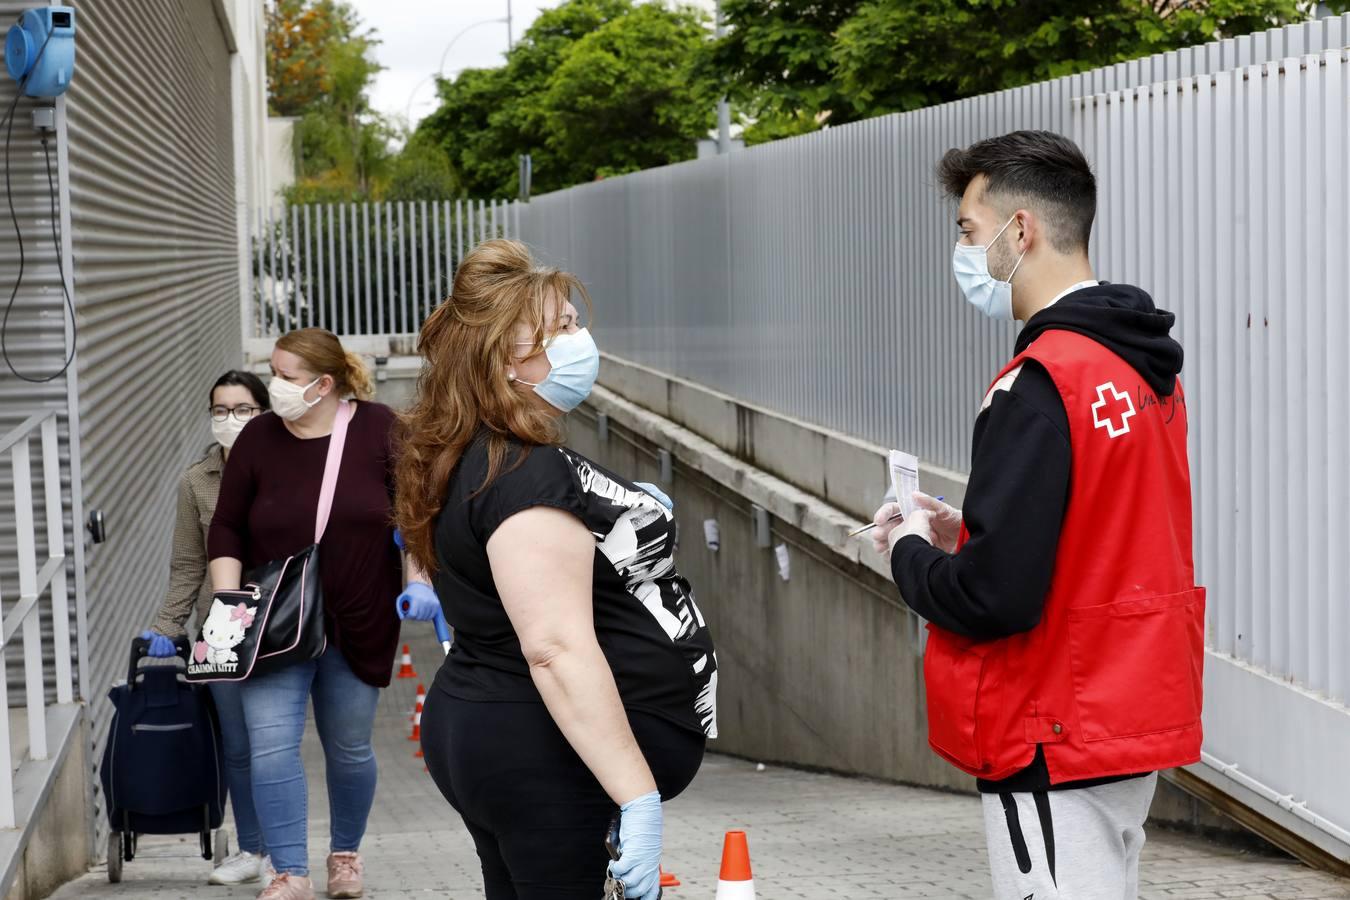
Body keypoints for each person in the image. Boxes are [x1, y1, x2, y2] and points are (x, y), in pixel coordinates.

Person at [872, 131, 1203, 899]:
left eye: (968, 229)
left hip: (1053, 721)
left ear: (1020, 230)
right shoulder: (1140, 367)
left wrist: (908, 549)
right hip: (1128, 707)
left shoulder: (1038, 381)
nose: (962, 248)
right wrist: (974, 528)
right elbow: (1106, 526)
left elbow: (993, 597)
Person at [393, 239, 716, 900]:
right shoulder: (522, 468)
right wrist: (638, 797)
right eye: (562, 328)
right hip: (541, 753)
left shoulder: (472, 451)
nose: (580, 337)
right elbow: (555, 648)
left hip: (503, 733)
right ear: (506, 362)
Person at [208, 328, 406, 900]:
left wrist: (421, 585)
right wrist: (229, 601)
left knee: (348, 747)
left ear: (323, 384)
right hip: (272, 623)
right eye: (272, 371)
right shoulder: (258, 439)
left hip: (359, 618)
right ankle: (289, 872)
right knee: (270, 746)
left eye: (286, 377)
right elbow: (226, 525)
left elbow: (413, 515)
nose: (275, 386)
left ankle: (345, 855)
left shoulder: (380, 429)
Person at [141, 370, 273, 886]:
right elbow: (188, 563)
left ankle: (287, 854)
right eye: (220, 411)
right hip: (220, 628)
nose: (230, 420)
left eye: (243, 410)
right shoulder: (197, 480)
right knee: (238, 746)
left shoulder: (288, 470)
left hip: (284, 624)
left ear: (264, 412)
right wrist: (166, 625)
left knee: (275, 743)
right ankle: (252, 850)